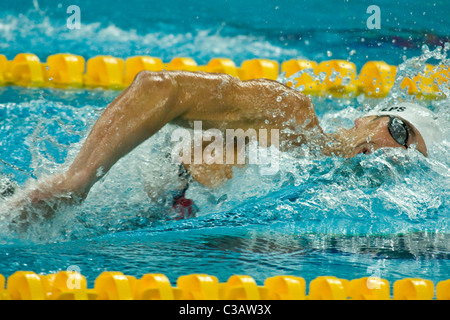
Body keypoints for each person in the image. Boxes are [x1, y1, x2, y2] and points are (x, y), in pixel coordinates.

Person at [6, 70, 443, 223]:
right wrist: (79, 178)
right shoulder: (290, 114)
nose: (392, 153)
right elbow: (162, 88)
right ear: (367, 117)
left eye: (410, 157)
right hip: (101, 201)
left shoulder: (339, 207)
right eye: (400, 132)